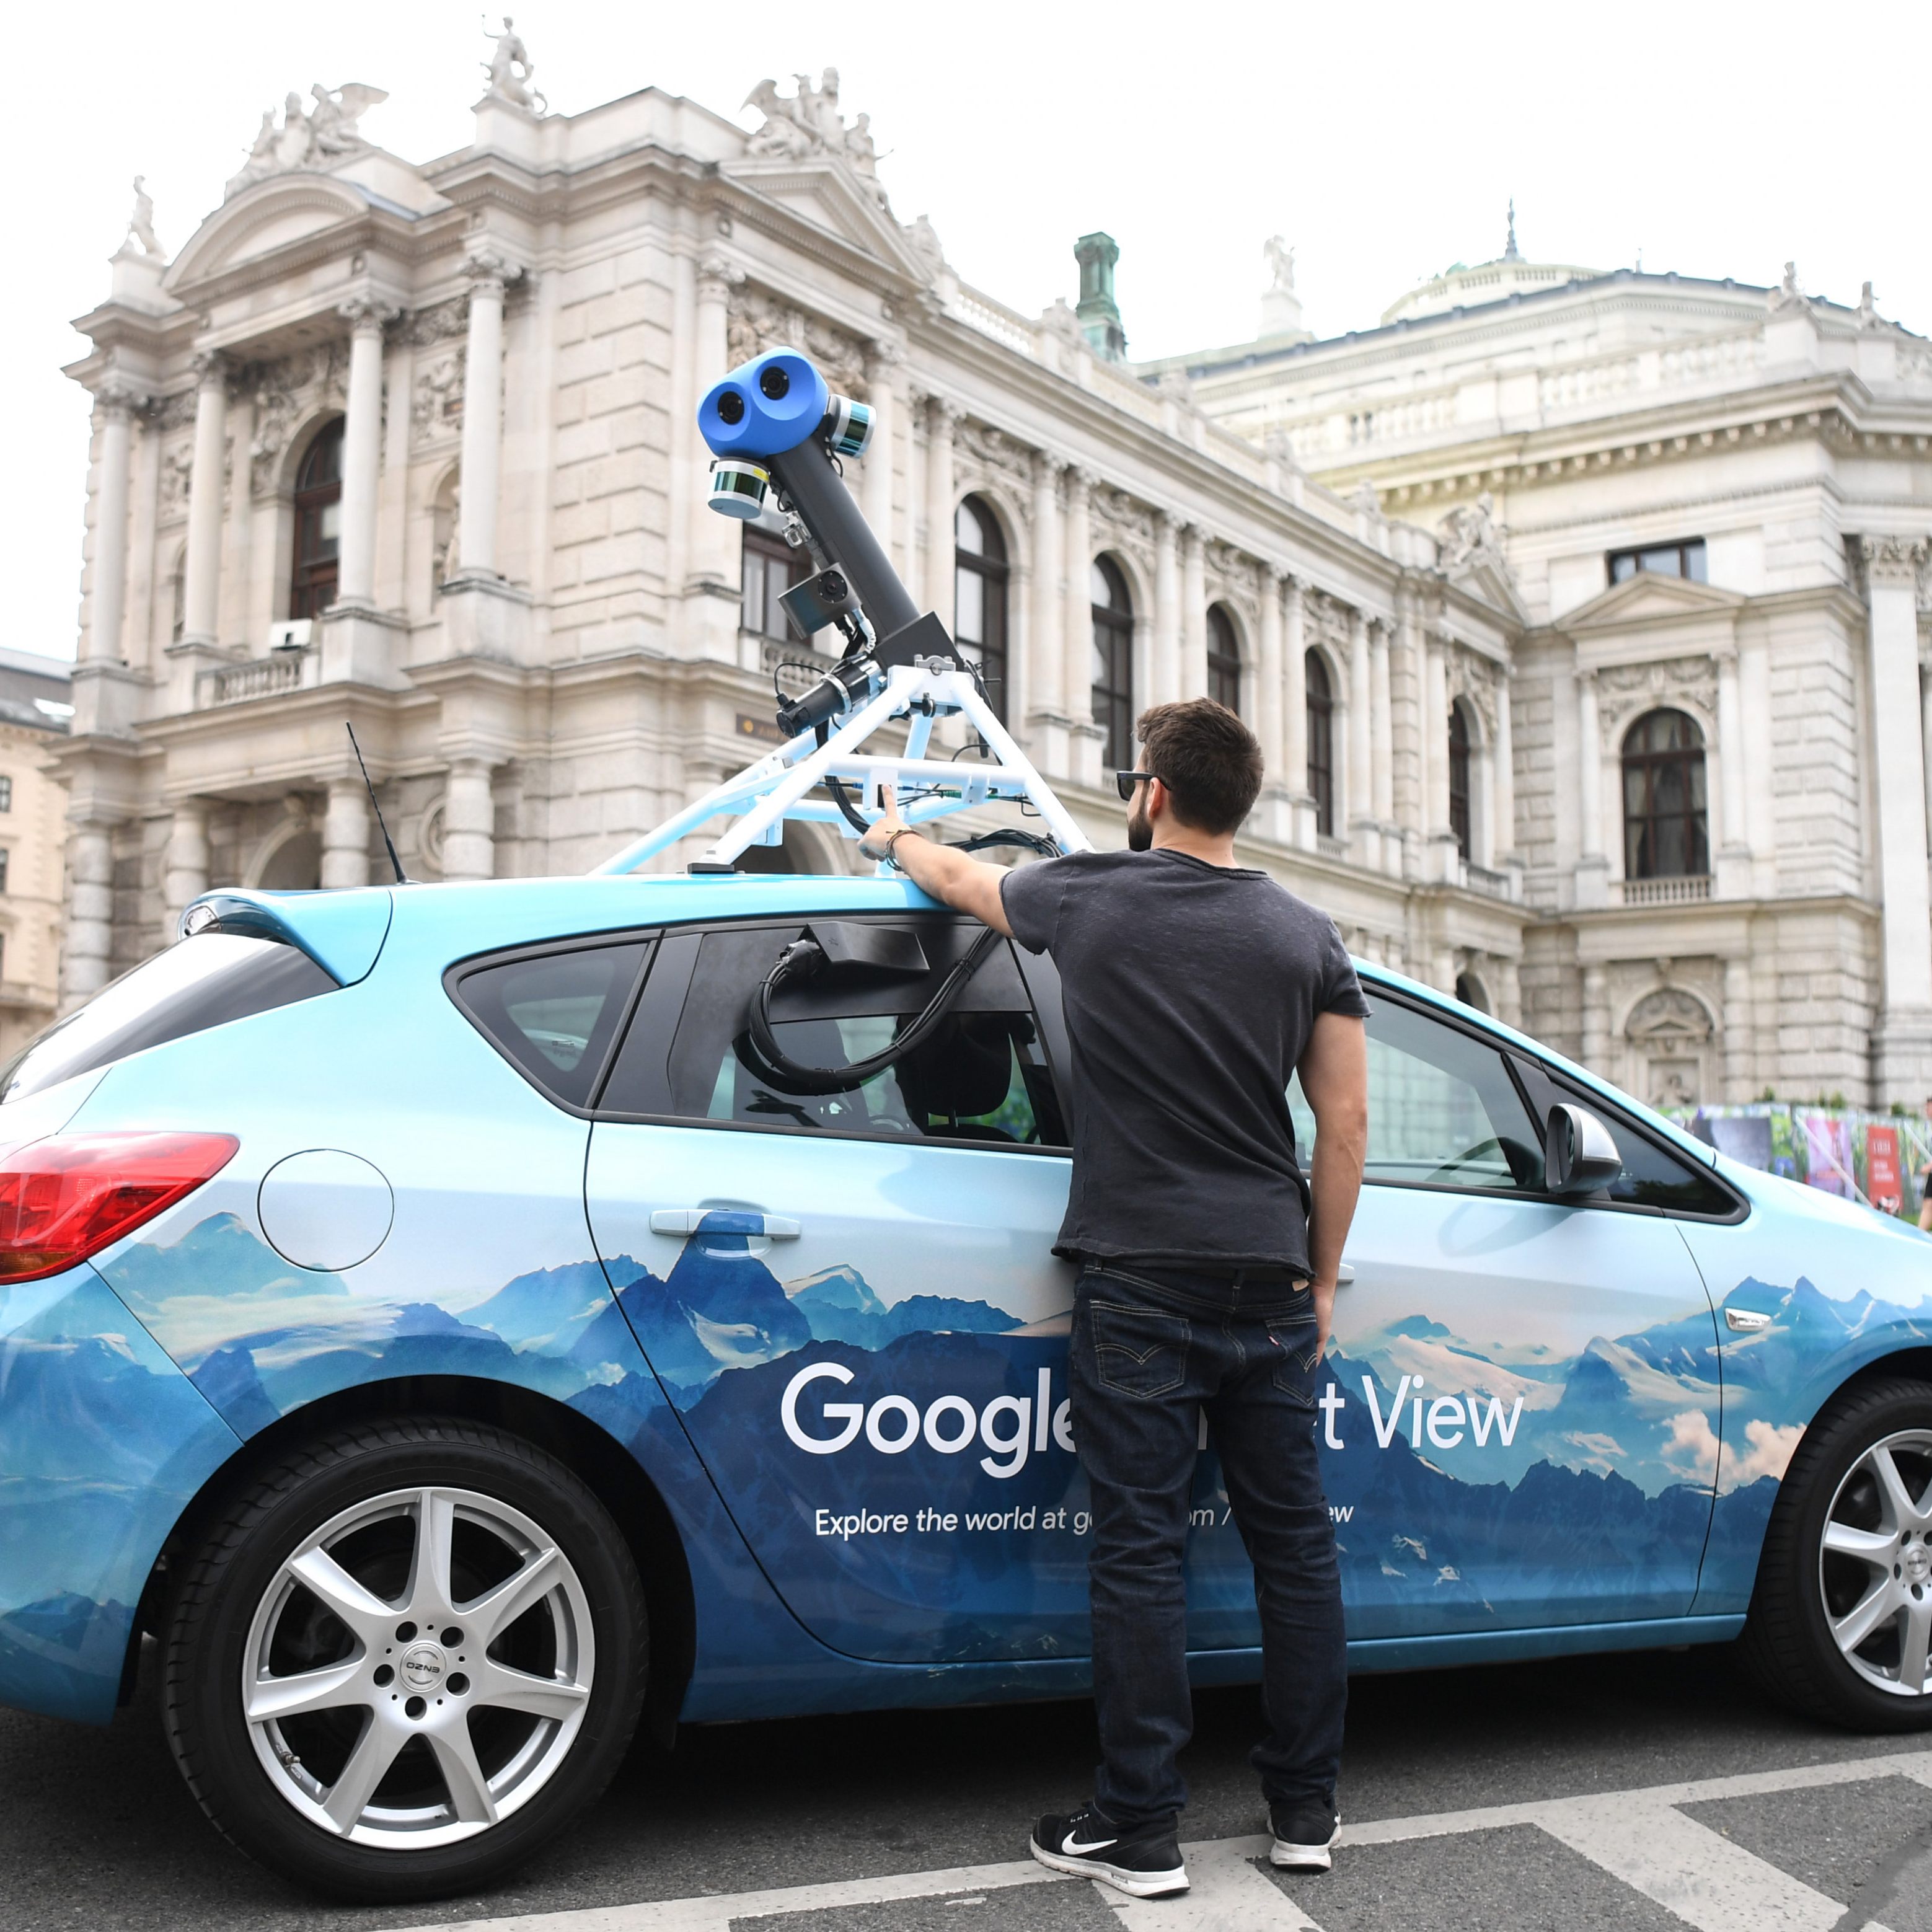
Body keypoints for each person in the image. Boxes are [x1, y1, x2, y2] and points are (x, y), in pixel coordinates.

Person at [860, 697, 1369, 1900]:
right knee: (1294, 1550)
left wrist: (889, 840)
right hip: (1264, 1277)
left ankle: (1138, 1828)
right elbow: (1341, 1124)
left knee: (1138, 1550)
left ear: (1149, 792)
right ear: (1237, 801)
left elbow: (957, 877)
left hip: (1137, 1273)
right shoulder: (1306, 934)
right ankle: (1303, 1811)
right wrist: (1323, 1277)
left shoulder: (1087, 894)